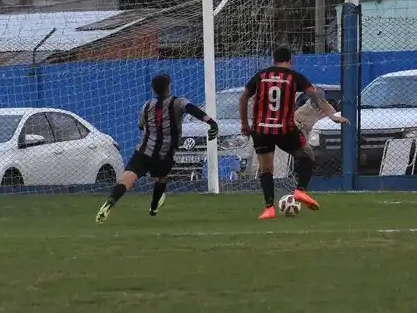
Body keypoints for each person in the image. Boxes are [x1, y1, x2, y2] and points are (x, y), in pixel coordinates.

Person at [239, 47, 348, 219]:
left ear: (273, 59)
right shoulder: (294, 77)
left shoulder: (260, 76)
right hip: (285, 129)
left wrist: (245, 124)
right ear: (291, 59)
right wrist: (332, 115)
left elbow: (244, 97)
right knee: (307, 154)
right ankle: (300, 190)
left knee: (266, 168)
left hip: (261, 129)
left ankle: (269, 208)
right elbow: (316, 97)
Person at [96, 73, 218, 223]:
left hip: (143, 151)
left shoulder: (146, 106)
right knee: (162, 179)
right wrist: (211, 122)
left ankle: (110, 202)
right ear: (169, 86)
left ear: (153, 90)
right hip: (165, 154)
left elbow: (141, 126)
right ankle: (154, 207)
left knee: (126, 179)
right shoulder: (178, 102)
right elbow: (192, 109)